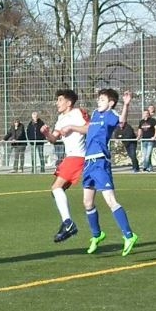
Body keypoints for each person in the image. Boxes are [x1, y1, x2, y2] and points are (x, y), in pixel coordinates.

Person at [63, 89, 139, 257]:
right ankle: (97, 235)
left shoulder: (111, 115)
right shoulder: (96, 114)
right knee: (87, 202)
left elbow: (122, 123)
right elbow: (88, 129)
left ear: (111, 103)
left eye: (102, 99)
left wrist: (126, 105)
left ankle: (129, 235)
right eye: (99, 99)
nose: (99, 101)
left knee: (110, 200)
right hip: (88, 162)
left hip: (100, 162)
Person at [40, 89, 88, 243]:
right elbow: (54, 139)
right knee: (55, 191)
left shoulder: (78, 113)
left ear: (69, 102)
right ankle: (67, 223)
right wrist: (46, 133)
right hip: (70, 157)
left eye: (60, 100)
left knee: (56, 187)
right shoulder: (60, 118)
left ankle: (68, 223)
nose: (57, 103)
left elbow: (89, 128)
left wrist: (72, 127)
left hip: (77, 156)